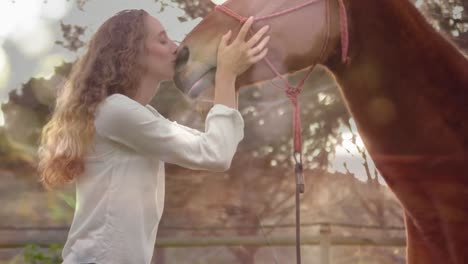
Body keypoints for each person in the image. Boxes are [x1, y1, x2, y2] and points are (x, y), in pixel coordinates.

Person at [37, 9, 269, 264]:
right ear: (132, 52)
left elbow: (214, 145)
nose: (177, 47)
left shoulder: (136, 114)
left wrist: (229, 77)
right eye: (162, 40)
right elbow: (216, 154)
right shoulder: (116, 111)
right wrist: (227, 75)